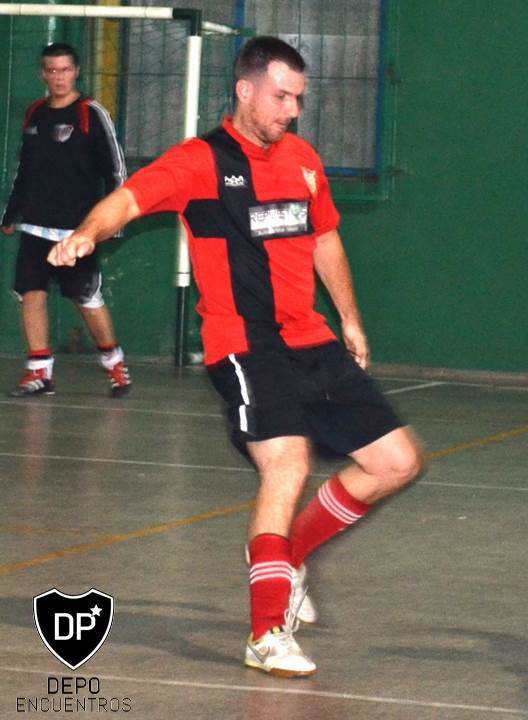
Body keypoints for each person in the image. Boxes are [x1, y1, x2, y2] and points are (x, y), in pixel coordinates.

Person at [48, 36, 425, 678]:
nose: (292, 110)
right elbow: (130, 201)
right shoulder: (199, 162)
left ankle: (286, 559)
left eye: (298, 99)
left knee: (397, 462)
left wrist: (350, 318)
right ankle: (266, 632)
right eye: (281, 97)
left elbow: (326, 240)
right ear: (245, 91)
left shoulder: (303, 160)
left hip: (310, 339)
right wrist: (88, 231)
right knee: (288, 463)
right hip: (244, 345)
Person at [1, 43, 131, 398]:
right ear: (43, 74)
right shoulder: (34, 113)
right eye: (51, 70)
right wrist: (11, 213)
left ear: (76, 72)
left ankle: (114, 364)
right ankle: (39, 372)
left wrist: (114, 220)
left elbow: (116, 170)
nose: (58, 77)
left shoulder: (91, 113)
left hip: (77, 231)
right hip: (34, 225)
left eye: (65, 70)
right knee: (31, 294)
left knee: (86, 298)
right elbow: (24, 169)